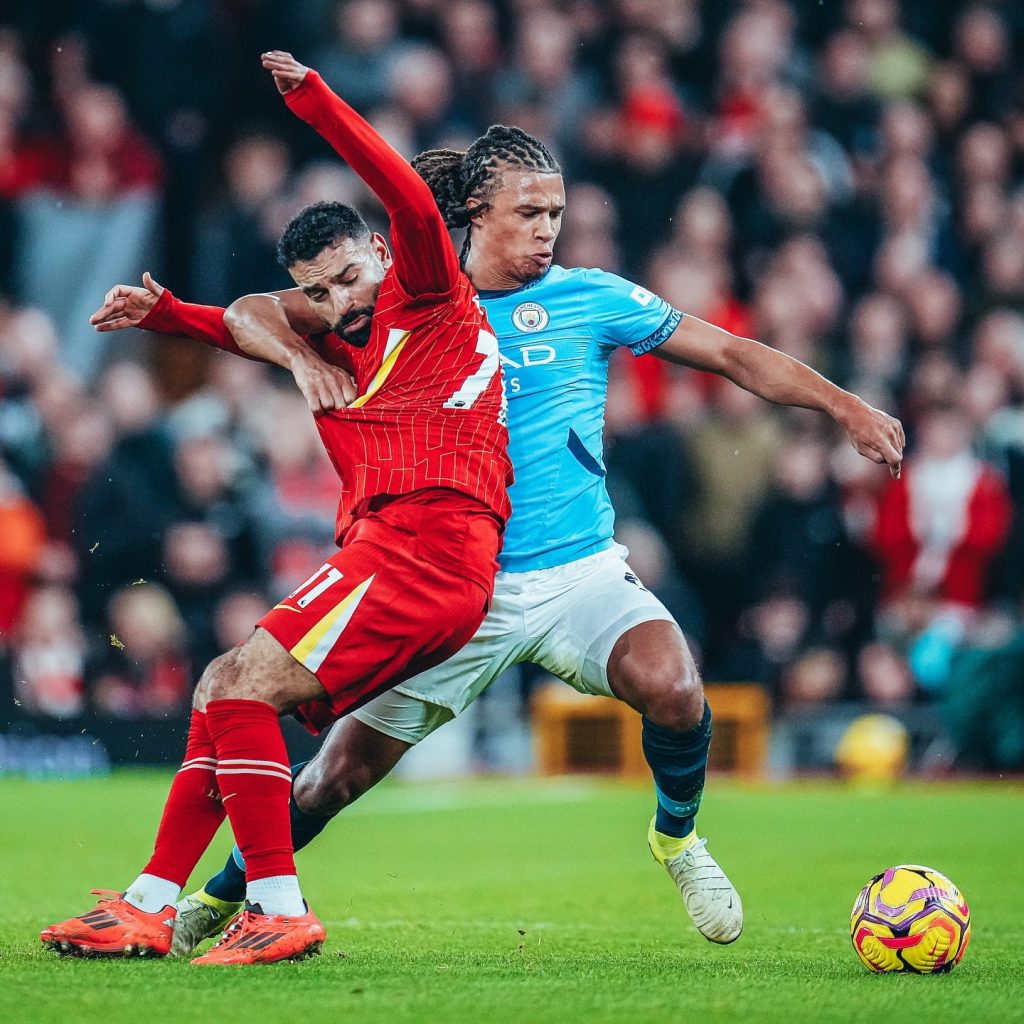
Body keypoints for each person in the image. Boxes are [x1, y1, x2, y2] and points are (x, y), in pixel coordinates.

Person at [89, 55, 904, 957]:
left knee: (675, 688)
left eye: (556, 212)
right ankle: (220, 896)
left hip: (574, 569)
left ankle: (678, 837)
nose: (549, 230)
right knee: (330, 781)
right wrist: (225, 331)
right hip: (447, 580)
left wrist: (844, 406)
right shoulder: (394, 298)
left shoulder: (591, 297)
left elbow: (733, 354)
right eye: (530, 213)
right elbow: (255, 311)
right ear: (476, 212)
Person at [39, 52, 512, 966]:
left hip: (425, 544)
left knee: (241, 685)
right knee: (224, 685)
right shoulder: (338, 342)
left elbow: (410, 201)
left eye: (350, 275)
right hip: (403, 549)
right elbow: (247, 316)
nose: (341, 300)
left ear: (380, 254)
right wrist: (170, 314)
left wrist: (317, 104)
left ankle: (277, 908)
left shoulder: (427, 296)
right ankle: (149, 902)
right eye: (320, 290)